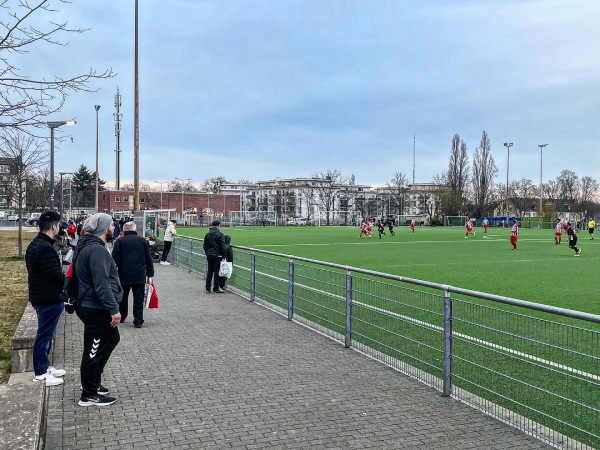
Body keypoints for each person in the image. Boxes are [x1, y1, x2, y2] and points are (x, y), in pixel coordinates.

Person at [74, 213, 123, 406]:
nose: (114, 228)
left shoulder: (87, 245)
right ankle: (89, 394)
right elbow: (101, 284)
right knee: (93, 350)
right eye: (112, 225)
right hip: (95, 308)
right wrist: (113, 309)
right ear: (103, 228)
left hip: (91, 305)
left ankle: (93, 381)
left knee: (112, 338)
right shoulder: (96, 250)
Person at [25, 211, 66, 387]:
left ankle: (45, 366)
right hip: (48, 298)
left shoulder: (36, 244)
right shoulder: (45, 248)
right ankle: (40, 372)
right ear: (54, 226)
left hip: (40, 296)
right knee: (44, 336)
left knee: (46, 335)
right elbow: (54, 276)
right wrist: (67, 277)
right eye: (59, 225)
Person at [112, 221, 154, 328]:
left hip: (123, 274)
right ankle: (138, 320)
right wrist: (150, 273)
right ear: (135, 229)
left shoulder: (119, 242)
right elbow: (148, 258)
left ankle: (122, 316)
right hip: (139, 274)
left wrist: (112, 273)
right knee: (138, 298)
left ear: (124, 230)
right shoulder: (142, 241)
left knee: (122, 297)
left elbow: (114, 259)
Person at [203, 220, 226, 293]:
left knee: (210, 271)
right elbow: (223, 246)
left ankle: (208, 287)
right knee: (217, 272)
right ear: (218, 225)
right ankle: (216, 288)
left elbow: (204, 246)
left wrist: (208, 253)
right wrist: (223, 256)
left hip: (210, 255)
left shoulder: (207, 234)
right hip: (217, 255)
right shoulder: (220, 234)